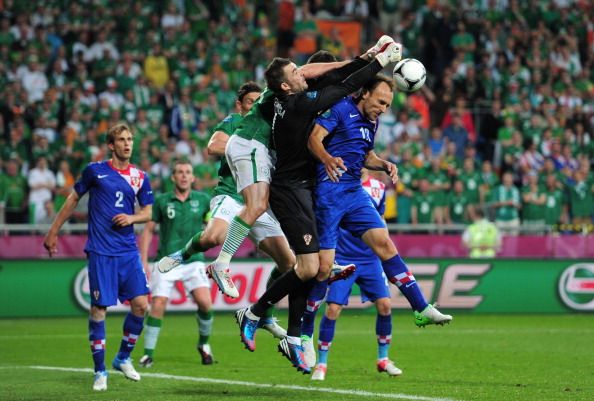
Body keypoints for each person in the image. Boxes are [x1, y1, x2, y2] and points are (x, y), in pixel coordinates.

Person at [235, 38, 403, 374]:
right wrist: (379, 61)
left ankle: (295, 336)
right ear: (287, 84)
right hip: (289, 189)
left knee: (309, 268)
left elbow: (325, 71)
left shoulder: (287, 97)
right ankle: (255, 312)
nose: (302, 73)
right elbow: (346, 83)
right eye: (295, 71)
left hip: (306, 188)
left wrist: (368, 54)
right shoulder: (300, 103)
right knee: (309, 268)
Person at [304, 74, 452, 353]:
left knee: (385, 244)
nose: (383, 108)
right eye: (381, 102)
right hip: (330, 191)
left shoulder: (373, 120)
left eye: (387, 105)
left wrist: (383, 164)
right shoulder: (339, 109)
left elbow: (366, 154)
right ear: (365, 93)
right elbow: (314, 139)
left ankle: (421, 308)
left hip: (354, 193)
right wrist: (327, 159)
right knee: (323, 268)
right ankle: (303, 334)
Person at [155, 82, 292, 338]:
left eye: (257, 101)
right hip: (231, 194)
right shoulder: (234, 122)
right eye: (250, 101)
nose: (255, 105)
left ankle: (264, 314)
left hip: (261, 200)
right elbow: (213, 146)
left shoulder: (273, 127)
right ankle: (181, 254)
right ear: (240, 105)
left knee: (289, 263)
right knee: (214, 238)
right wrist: (247, 146)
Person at [43, 123, 153, 391]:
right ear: (111, 145)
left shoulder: (140, 176)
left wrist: (132, 217)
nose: (128, 144)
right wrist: (53, 231)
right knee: (98, 309)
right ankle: (99, 371)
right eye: (122, 139)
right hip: (101, 251)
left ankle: (123, 358)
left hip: (127, 251)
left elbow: (149, 212)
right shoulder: (95, 171)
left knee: (141, 305)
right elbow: (71, 200)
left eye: (130, 139)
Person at [303, 170, 403, 380]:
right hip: (344, 257)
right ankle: (321, 364)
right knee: (333, 309)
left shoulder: (378, 187)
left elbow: (381, 219)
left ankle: (383, 359)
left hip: (370, 258)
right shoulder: (337, 185)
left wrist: (385, 248)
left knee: (385, 305)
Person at [138, 160, 214, 367]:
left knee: (206, 304)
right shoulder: (162, 201)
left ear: (192, 178)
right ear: (173, 177)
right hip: (167, 261)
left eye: (187, 172)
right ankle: (148, 354)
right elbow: (148, 230)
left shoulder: (204, 200)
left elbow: (212, 227)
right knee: (158, 304)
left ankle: (204, 345)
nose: (183, 175)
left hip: (193, 260)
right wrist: (143, 261)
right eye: (179, 172)